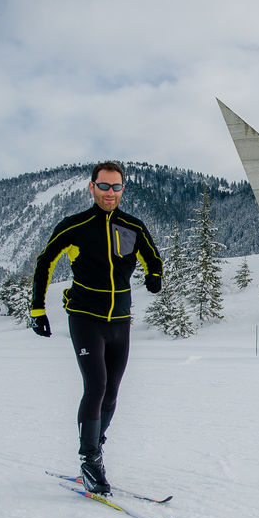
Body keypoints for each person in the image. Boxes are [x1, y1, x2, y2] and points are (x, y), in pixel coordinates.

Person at [29, 161, 163, 494]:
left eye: (116, 187)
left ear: (122, 190)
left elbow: (154, 257)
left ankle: (96, 450)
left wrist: (154, 276)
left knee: (112, 392)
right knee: (96, 384)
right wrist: (37, 309)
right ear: (92, 187)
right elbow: (45, 262)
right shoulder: (75, 225)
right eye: (104, 186)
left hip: (120, 321)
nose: (110, 193)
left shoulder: (133, 226)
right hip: (85, 317)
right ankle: (89, 460)